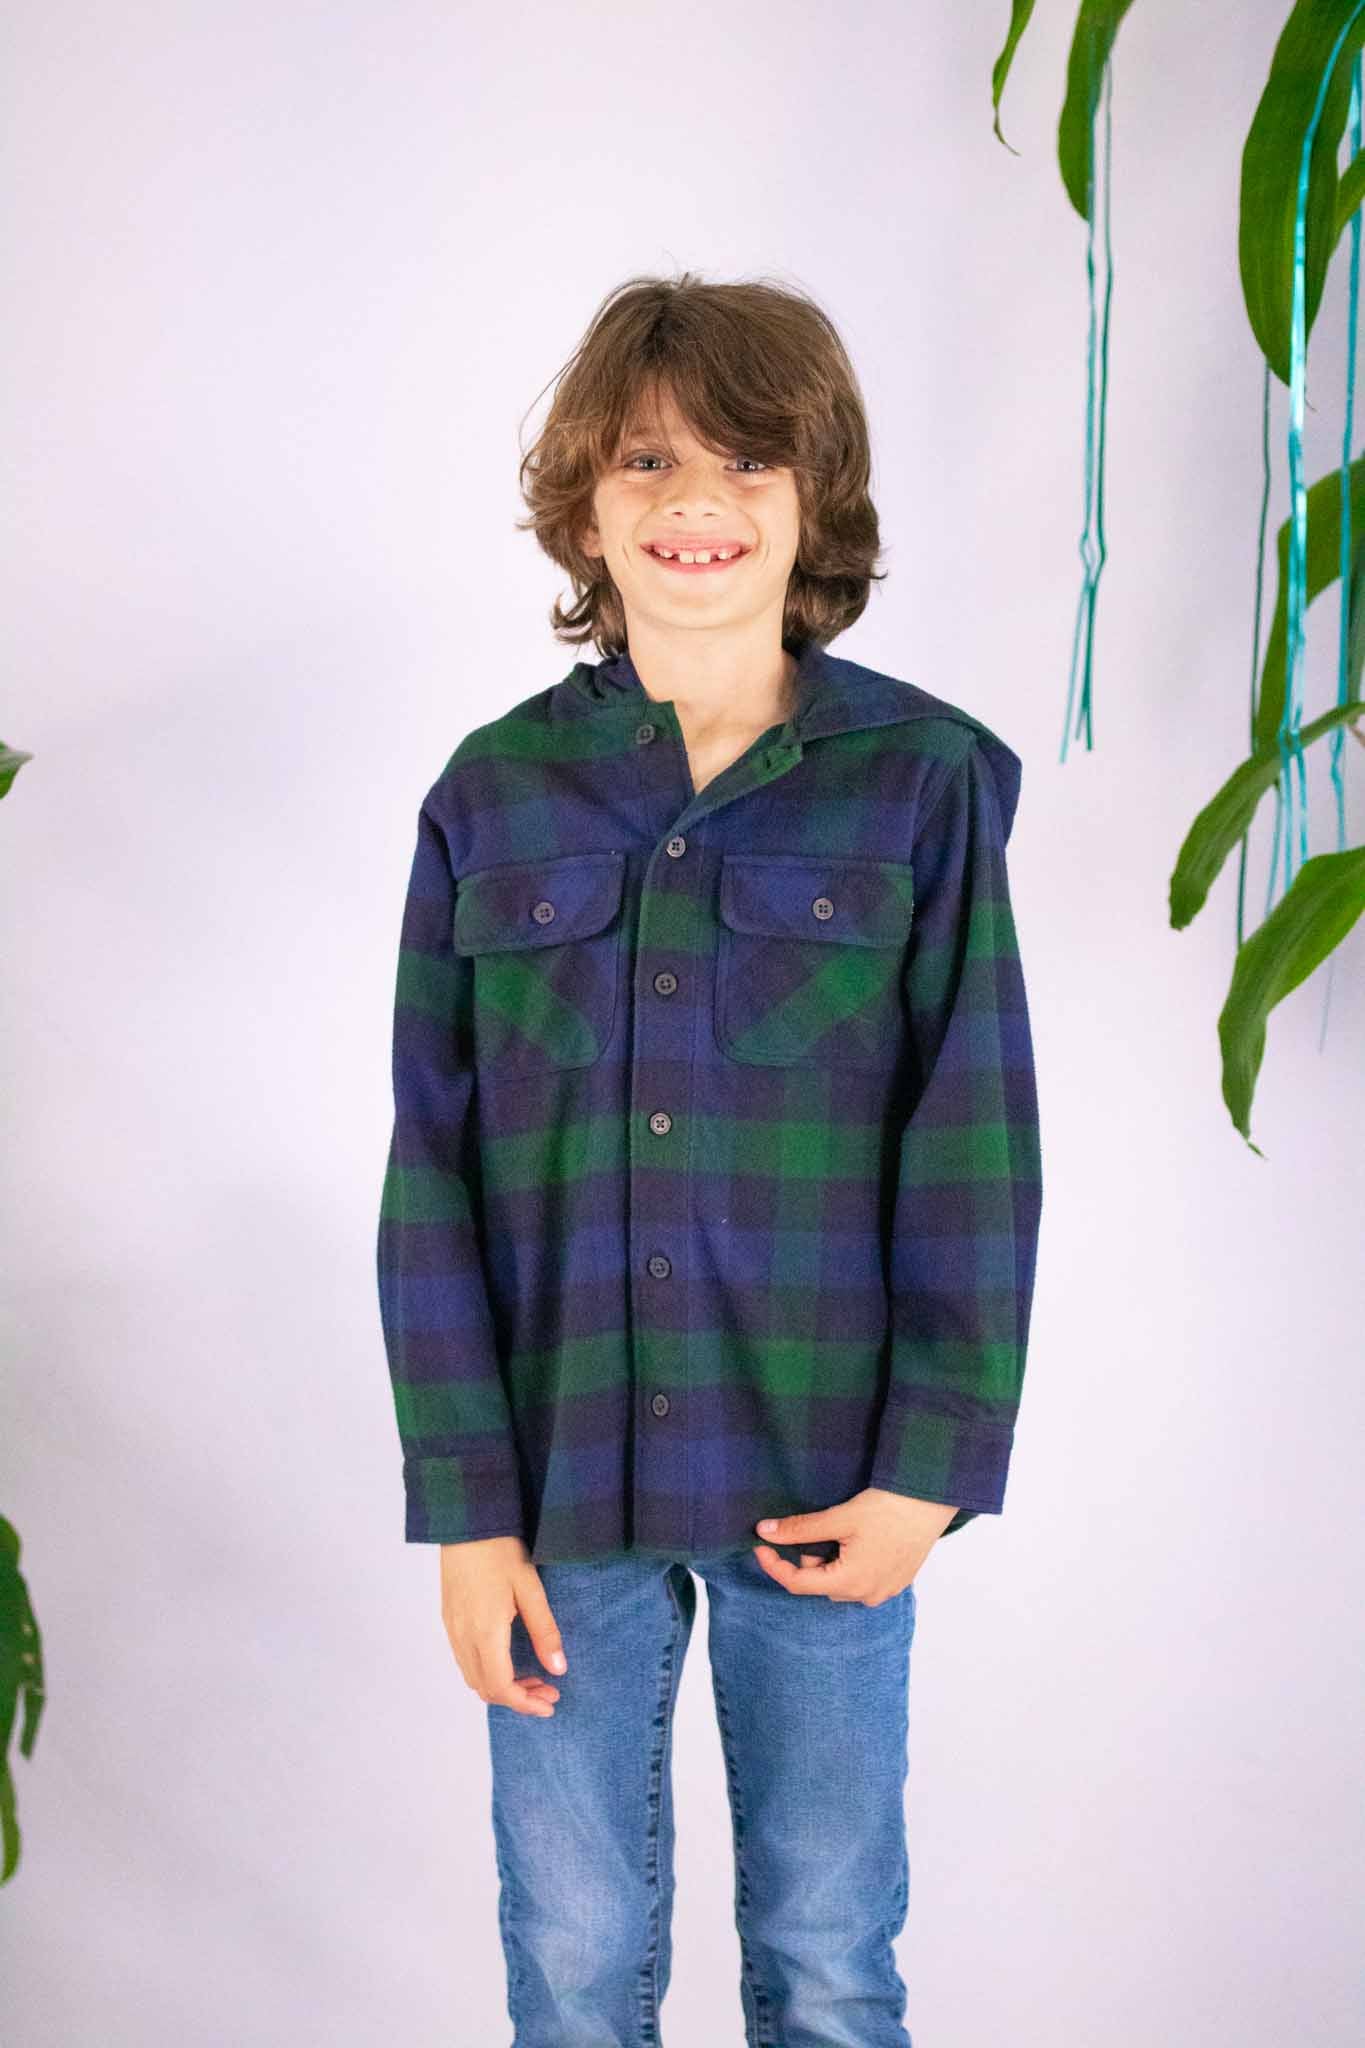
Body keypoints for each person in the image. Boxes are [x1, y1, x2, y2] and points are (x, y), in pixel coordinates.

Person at [376, 269, 1043, 2048]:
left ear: (815, 500)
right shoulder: (489, 795)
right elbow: (429, 1168)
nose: (697, 503)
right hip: (557, 1484)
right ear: (584, 507)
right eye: (648, 461)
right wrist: (466, 1510)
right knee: (571, 1958)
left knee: (828, 1956)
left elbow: (972, 1137)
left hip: (826, 1481)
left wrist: (930, 1473)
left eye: (749, 462)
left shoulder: (920, 783)